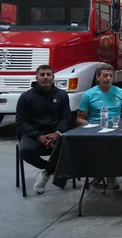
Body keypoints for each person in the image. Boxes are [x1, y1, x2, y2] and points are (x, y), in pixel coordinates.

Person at [15, 65, 71, 194]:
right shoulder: (25, 97)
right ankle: (50, 169)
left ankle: (46, 174)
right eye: (42, 75)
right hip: (33, 134)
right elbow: (21, 122)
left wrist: (57, 133)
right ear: (36, 77)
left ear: (53, 77)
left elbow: (66, 118)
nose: (45, 77)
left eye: (48, 74)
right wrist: (38, 136)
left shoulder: (62, 95)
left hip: (56, 134)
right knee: (25, 150)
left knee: (70, 146)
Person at [76, 63, 122, 189]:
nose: (108, 78)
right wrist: (92, 126)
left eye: (110, 76)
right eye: (105, 76)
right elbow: (79, 119)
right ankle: (108, 174)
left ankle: (102, 173)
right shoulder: (88, 95)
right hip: (95, 130)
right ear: (98, 77)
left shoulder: (120, 92)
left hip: (116, 129)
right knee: (102, 145)